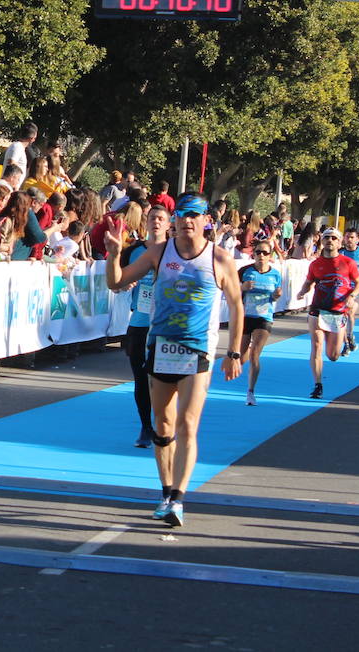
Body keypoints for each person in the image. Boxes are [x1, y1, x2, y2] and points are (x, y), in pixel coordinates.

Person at [105, 192, 244, 529]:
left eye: (194, 215)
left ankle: (179, 498)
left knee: (188, 424)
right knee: (162, 427)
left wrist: (234, 352)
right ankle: (166, 491)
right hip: (161, 347)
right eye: (182, 214)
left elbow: (237, 305)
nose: (187, 221)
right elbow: (117, 282)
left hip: (197, 349)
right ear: (175, 219)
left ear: (206, 220)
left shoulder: (220, 259)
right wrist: (113, 256)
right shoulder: (158, 252)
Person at [118, 203, 170, 448]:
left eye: (161, 218)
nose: (156, 222)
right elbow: (117, 282)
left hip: (166, 326)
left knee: (162, 379)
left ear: (169, 224)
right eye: (152, 218)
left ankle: (164, 424)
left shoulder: (175, 251)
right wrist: (124, 284)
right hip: (139, 321)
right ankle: (146, 427)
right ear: (146, 222)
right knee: (140, 377)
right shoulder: (134, 250)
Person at [297, 228, 359, 399]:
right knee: (316, 346)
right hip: (317, 310)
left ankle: (345, 338)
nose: (330, 240)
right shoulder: (315, 264)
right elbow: (309, 282)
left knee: (333, 356)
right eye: (327, 237)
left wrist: (352, 296)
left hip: (338, 312)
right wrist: (302, 292)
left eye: (334, 238)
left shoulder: (348, 263)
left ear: (339, 242)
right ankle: (317, 384)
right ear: (322, 241)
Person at [239, 241, 283, 405]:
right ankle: (244, 352)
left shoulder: (276, 274)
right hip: (245, 317)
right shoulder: (245, 271)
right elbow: (229, 291)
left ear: (270, 255)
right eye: (258, 252)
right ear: (253, 254)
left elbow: (275, 296)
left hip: (264, 317)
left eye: (265, 253)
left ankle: (250, 392)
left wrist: (276, 297)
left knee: (254, 354)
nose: (261, 256)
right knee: (241, 358)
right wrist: (242, 287)